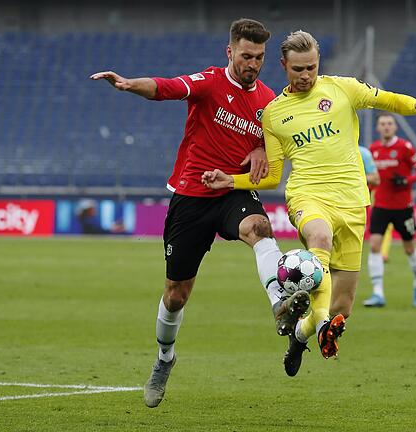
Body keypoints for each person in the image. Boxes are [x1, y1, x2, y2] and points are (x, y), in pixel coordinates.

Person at [91, 19, 310, 408]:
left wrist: (261, 149)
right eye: (246, 56)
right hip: (193, 195)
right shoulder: (209, 82)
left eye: (259, 57)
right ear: (230, 52)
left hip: (232, 190)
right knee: (176, 295)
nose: (252, 64)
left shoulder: (270, 103)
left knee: (259, 227)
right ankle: (164, 359)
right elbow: (166, 87)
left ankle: (280, 301)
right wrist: (129, 84)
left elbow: (274, 150)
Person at [202, 30, 416, 376]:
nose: (305, 75)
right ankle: (324, 325)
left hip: (353, 203)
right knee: (319, 239)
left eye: (311, 67)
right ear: (283, 65)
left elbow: (386, 100)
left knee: (342, 305)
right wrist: (231, 180)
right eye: (298, 69)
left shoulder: (342, 88)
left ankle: (299, 336)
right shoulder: (274, 114)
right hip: (308, 196)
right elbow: (271, 176)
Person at [363, 113, 416, 308]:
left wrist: (406, 181)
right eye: (382, 124)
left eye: (389, 124)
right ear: (377, 128)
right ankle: (378, 293)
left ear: (395, 127)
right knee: (374, 246)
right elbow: (372, 180)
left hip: (403, 207)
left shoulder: (405, 148)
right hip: (381, 206)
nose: (386, 127)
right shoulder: (372, 150)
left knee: (409, 248)